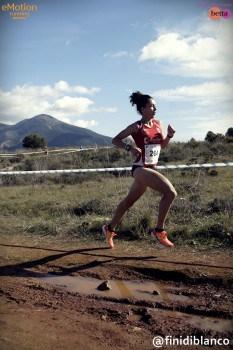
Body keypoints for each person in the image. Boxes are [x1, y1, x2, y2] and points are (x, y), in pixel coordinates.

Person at [102, 91, 177, 249]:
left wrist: (169, 136)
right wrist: (129, 147)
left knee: (128, 202)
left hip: (150, 168)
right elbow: (115, 140)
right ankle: (159, 231)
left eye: (155, 105)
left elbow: (161, 145)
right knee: (170, 193)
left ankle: (108, 229)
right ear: (143, 109)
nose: (155, 108)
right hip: (140, 168)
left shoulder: (157, 124)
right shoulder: (136, 126)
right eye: (151, 106)